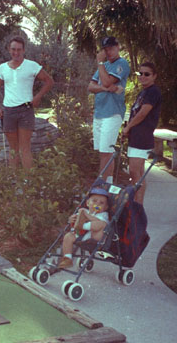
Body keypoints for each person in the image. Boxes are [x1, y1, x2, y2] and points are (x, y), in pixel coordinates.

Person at [0, 36, 54, 169]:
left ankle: (28, 180)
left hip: (26, 110)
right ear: (9, 50)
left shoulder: (32, 66)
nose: (16, 52)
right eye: (13, 49)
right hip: (8, 112)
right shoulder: (2, 68)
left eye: (19, 50)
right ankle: (13, 179)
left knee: (25, 148)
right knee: (13, 148)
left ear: (24, 50)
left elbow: (49, 81)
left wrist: (37, 97)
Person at [88, 36, 130, 183]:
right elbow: (91, 86)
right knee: (104, 152)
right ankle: (107, 184)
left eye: (111, 48)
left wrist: (100, 63)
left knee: (106, 152)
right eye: (106, 49)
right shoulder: (104, 66)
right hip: (99, 113)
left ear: (118, 47)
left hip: (112, 113)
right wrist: (105, 89)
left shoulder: (122, 64)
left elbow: (106, 81)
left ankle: (101, 185)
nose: (108, 52)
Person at [122, 62, 162, 204]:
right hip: (136, 136)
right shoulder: (143, 92)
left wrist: (128, 127)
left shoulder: (153, 92)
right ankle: (137, 204)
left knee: (135, 172)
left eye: (147, 74)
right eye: (140, 73)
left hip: (142, 137)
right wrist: (129, 130)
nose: (143, 76)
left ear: (154, 76)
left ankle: (138, 206)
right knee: (137, 173)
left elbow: (143, 113)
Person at [56, 187, 110, 269]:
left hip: (95, 238)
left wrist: (86, 216)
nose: (97, 204)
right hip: (81, 235)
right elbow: (74, 222)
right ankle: (67, 258)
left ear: (105, 207)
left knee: (102, 224)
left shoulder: (103, 214)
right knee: (68, 236)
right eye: (94, 201)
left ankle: (82, 225)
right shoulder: (84, 212)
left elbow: (99, 222)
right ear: (87, 203)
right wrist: (72, 220)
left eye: (101, 203)